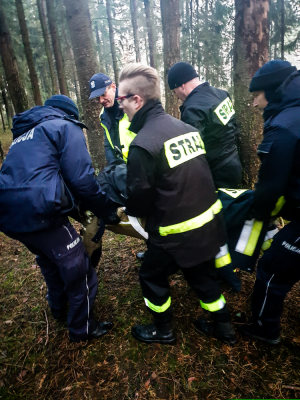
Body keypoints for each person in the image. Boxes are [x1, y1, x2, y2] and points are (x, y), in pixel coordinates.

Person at [118, 63, 236, 345]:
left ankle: (163, 329)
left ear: (137, 99)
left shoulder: (143, 145)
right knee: (202, 275)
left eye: (121, 99)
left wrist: (129, 208)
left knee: (150, 276)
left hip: (173, 233)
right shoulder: (184, 128)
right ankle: (224, 327)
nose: (119, 105)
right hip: (208, 225)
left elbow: (140, 199)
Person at [0, 95, 116, 342]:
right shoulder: (66, 126)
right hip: (40, 212)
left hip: (7, 212)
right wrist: (105, 209)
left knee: (48, 259)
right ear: (70, 114)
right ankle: (82, 328)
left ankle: (57, 307)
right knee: (79, 268)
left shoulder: (26, 134)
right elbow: (82, 180)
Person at [238, 60, 300, 344]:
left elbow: (269, 188)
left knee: (273, 268)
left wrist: (255, 214)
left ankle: (264, 330)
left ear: (273, 91)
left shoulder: (284, 126)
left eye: (256, 96)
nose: (254, 104)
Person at [168, 62, 242, 189]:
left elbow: (194, 152)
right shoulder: (222, 94)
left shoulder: (192, 109)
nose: (177, 97)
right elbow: (233, 126)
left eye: (175, 92)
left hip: (216, 173)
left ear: (182, 86)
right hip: (234, 161)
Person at [89, 73, 136, 165]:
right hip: (122, 170)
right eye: (97, 98)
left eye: (103, 94)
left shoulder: (131, 106)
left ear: (113, 87)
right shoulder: (103, 115)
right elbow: (108, 144)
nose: (101, 101)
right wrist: (114, 166)